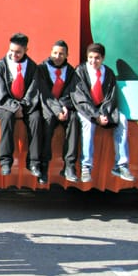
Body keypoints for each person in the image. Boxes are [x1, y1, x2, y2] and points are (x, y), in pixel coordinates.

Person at [71, 43, 135, 183]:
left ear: (103, 58)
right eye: (90, 57)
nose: (93, 61)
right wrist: (96, 116)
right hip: (86, 110)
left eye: (97, 58)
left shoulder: (109, 73)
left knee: (122, 120)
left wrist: (104, 113)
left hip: (104, 110)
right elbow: (79, 98)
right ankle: (86, 166)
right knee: (88, 123)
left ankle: (121, 165)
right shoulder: (80, 71)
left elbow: (111, 97)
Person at [0, 33, 43, 178]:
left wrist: (22, 106)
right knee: (6, 117)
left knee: (36, 118)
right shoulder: (1, 65)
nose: (14, 54)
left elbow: (33, 91)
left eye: (18, 52)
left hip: (26, 105)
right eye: (11, 50)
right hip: (4, 104)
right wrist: (14, 107)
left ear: (26, 50)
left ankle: (34, 162)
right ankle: (5, 161)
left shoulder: (32, 67)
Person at [36, 40, 79, 184]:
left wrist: (65, 106)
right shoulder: (41, 69)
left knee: (74, 120)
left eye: (61, 53)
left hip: (64, 108)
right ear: (51, 53)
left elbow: (72, 91)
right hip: (47, 107)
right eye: (55, 53)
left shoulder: (72, 71)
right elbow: (44, 92)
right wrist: (57, 110)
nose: (58, 56)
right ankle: (43, 167)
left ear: (67, 55)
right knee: (47, 125)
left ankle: (69, 166)